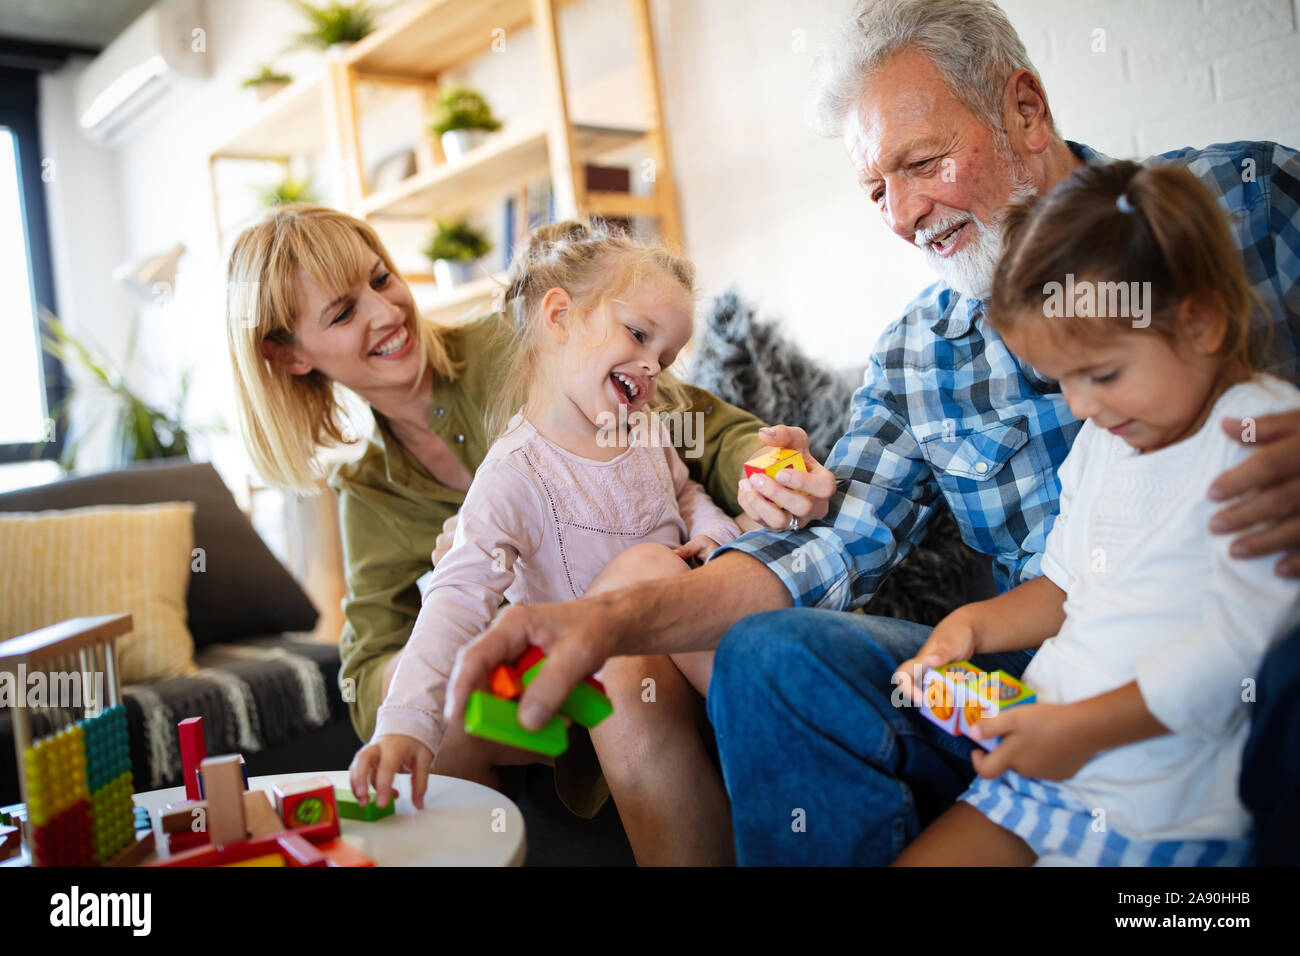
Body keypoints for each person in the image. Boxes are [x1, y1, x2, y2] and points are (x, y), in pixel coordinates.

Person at [441, 0, 1300, 865]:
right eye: (876, 189)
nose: (901, 215)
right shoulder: (917, 356)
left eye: (921, 163)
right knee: (771, 655)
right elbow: (825, 556)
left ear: (1025, 111)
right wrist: (602, 624)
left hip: (1242, 664)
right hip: (1034, 672)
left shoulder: (1245, 203)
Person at [224, 205, 811, 805]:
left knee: (629, 610)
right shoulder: (368, 489)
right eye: (343, 312)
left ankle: (794, 754)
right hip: (549, 678)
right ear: (290, 354)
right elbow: (371, 669)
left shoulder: (529, 330)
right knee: (439, 731)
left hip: (645, 620)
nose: (386, 311)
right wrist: (480, 608)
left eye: (381, 278)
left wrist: (767, 467)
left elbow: (691, 426)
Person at [891, 160, 1299, 866]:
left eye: (1101, 374)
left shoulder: (1260, 437)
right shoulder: (1104, 439)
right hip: (1049, 766)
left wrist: (1081, 729)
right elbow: (1065, 588)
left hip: (1167, 810)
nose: (1080, 405)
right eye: (1065, 381)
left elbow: (1239, 654)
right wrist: (968, 626)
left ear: (1199, 323)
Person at [348, 220, 743, 865]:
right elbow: (455, 598)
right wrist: (404, 725)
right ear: (559, 315)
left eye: (666, 356)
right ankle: (764, 701)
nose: (651, 366)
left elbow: (685, 494)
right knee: (459, 718)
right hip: (581, 673)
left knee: (668, 565)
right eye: (639, 335)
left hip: (673, 632)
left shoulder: (643, 430)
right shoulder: (513, 474)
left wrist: (712, 533)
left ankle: (769, 700)